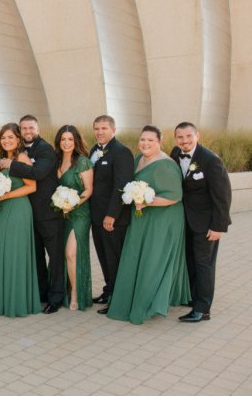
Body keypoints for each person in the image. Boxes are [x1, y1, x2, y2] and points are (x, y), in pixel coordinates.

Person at [107, 126, 191, 324]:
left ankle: (149, 302)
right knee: (137, 255)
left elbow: (174, 197)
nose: (145, 143)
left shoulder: (166, 165)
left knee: (154, 258)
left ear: (159, 142)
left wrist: (145, 201)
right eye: (142, 139)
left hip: (163, 218)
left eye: (150, 140)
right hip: (142, 216)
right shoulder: (138, 159)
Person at [0, 114, 64, 314]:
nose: (28, 131)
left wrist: (11, 165)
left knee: (55, 257)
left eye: (31, 128)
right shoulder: (18, 151)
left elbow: (37, 174)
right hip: (27, 214)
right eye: (24, 128)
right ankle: (41, 293)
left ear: (38, 129)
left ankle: (57, 298)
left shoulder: (45, 150)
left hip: (47, 212)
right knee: (36, 257)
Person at [170, 122, 232, 322]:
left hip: (206, 224)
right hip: (184, 221)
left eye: (189, 136)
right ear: (175, 139)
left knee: (204, 264)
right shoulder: (174, 154)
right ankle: (194, 298)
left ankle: (203, 309)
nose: (185, 141)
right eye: (180, 137)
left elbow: (223, 196)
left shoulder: (210, 160)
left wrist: (218, 226)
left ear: (198, 135)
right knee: (190, 262)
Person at [0, 123, 40, 317]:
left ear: (18, 139)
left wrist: (5, 196)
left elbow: (32, 186)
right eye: (3, 137)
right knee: (4, 252)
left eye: (11, 137)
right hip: (4, 211)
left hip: (19, 208)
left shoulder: (21, 158)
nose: (7, 141)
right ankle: (5, 300)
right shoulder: (3, 159)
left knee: (16, 253)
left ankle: (19, 301)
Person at [89, 115, 134, 315]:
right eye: (97, 128)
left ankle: (117, 299)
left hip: (112, 219)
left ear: (113, 130)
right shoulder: (93, 151)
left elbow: (122, 186)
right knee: (104, 258)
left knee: (114, 259)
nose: (100, 132)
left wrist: (111, 215)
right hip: (96, 215)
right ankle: (108, 291)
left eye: (104, 128)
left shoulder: (122, 152)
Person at [54, 125, 94, 311]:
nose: (66, 143)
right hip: (61, 214)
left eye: (70, 139)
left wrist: (73, 204)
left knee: (71, 253)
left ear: (76, 141)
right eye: (63, 139)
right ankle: (65, 291)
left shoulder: (83, 162)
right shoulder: (57, 161)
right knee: (64, 255)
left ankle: (77, 294)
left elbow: (88, 190)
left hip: (79, 214)